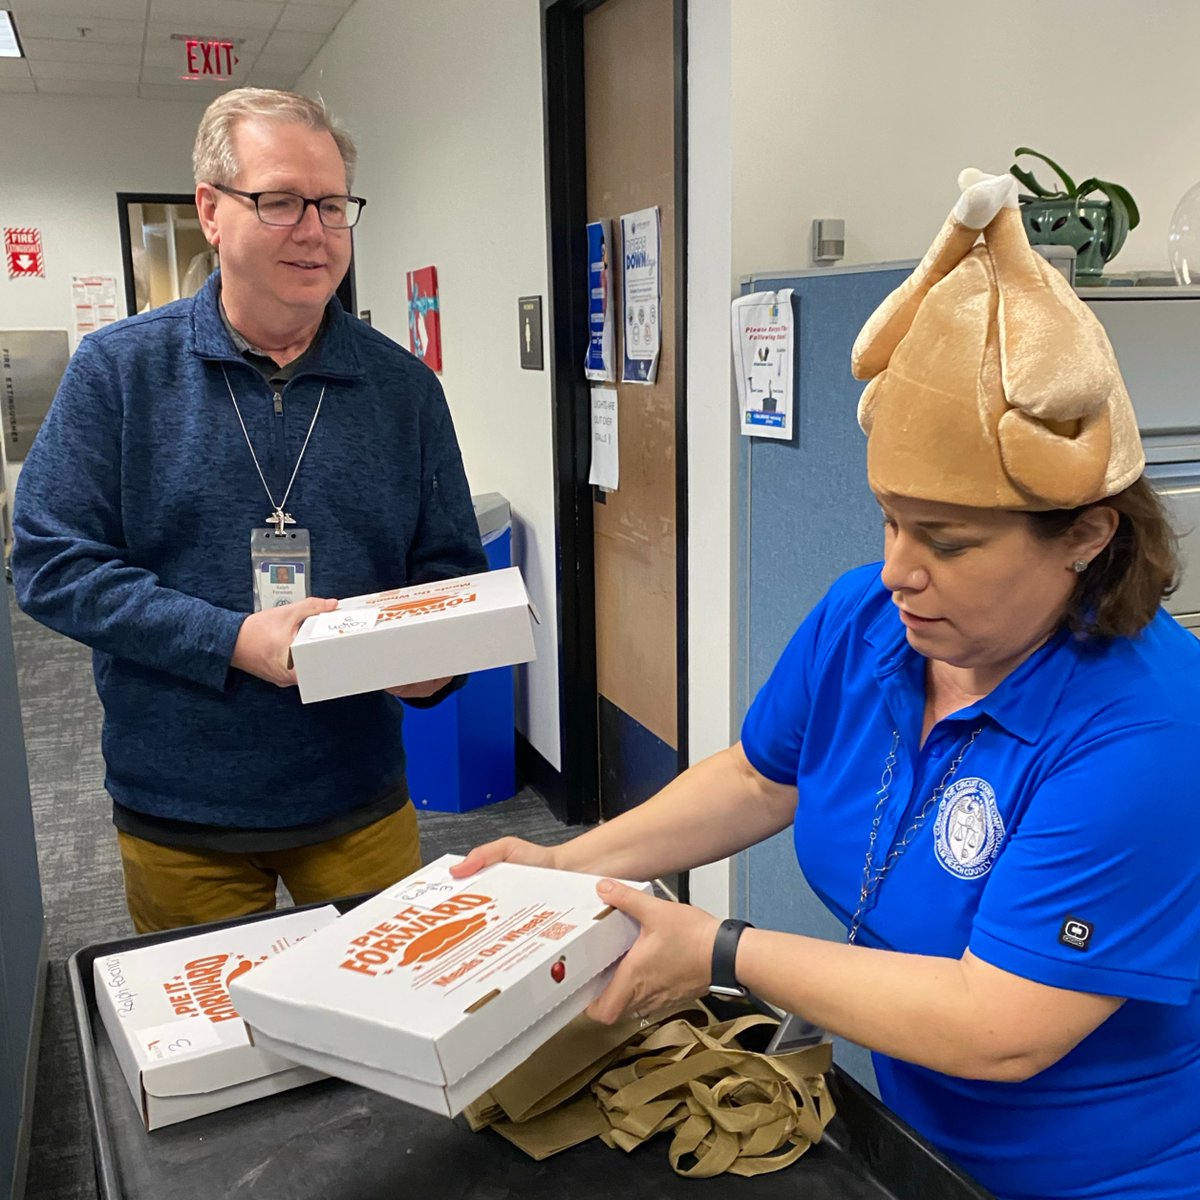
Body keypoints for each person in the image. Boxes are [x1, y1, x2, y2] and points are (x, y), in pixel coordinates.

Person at [454, 171, 1200, 1200]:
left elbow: (1004, 1027)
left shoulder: (1149, 733)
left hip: (1102, 1176)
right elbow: (763, 778)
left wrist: (720, 949)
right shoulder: (870, 619)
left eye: (945, 540)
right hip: (907, 1135)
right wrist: (570, 870)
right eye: (889, 519)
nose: (898, 567)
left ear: (1085, 534)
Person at [13, 88, 486, 934]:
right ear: (211, 211)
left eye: (333, 204)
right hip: (183, 810)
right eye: (279, 201)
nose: (314, 229)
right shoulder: (119, 373)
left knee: (386, 1041)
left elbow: (449, 567)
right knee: (217, 1060)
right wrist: (229, 640)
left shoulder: (404, 390)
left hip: (357, 795)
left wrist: (435, 661)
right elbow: (51, 565)